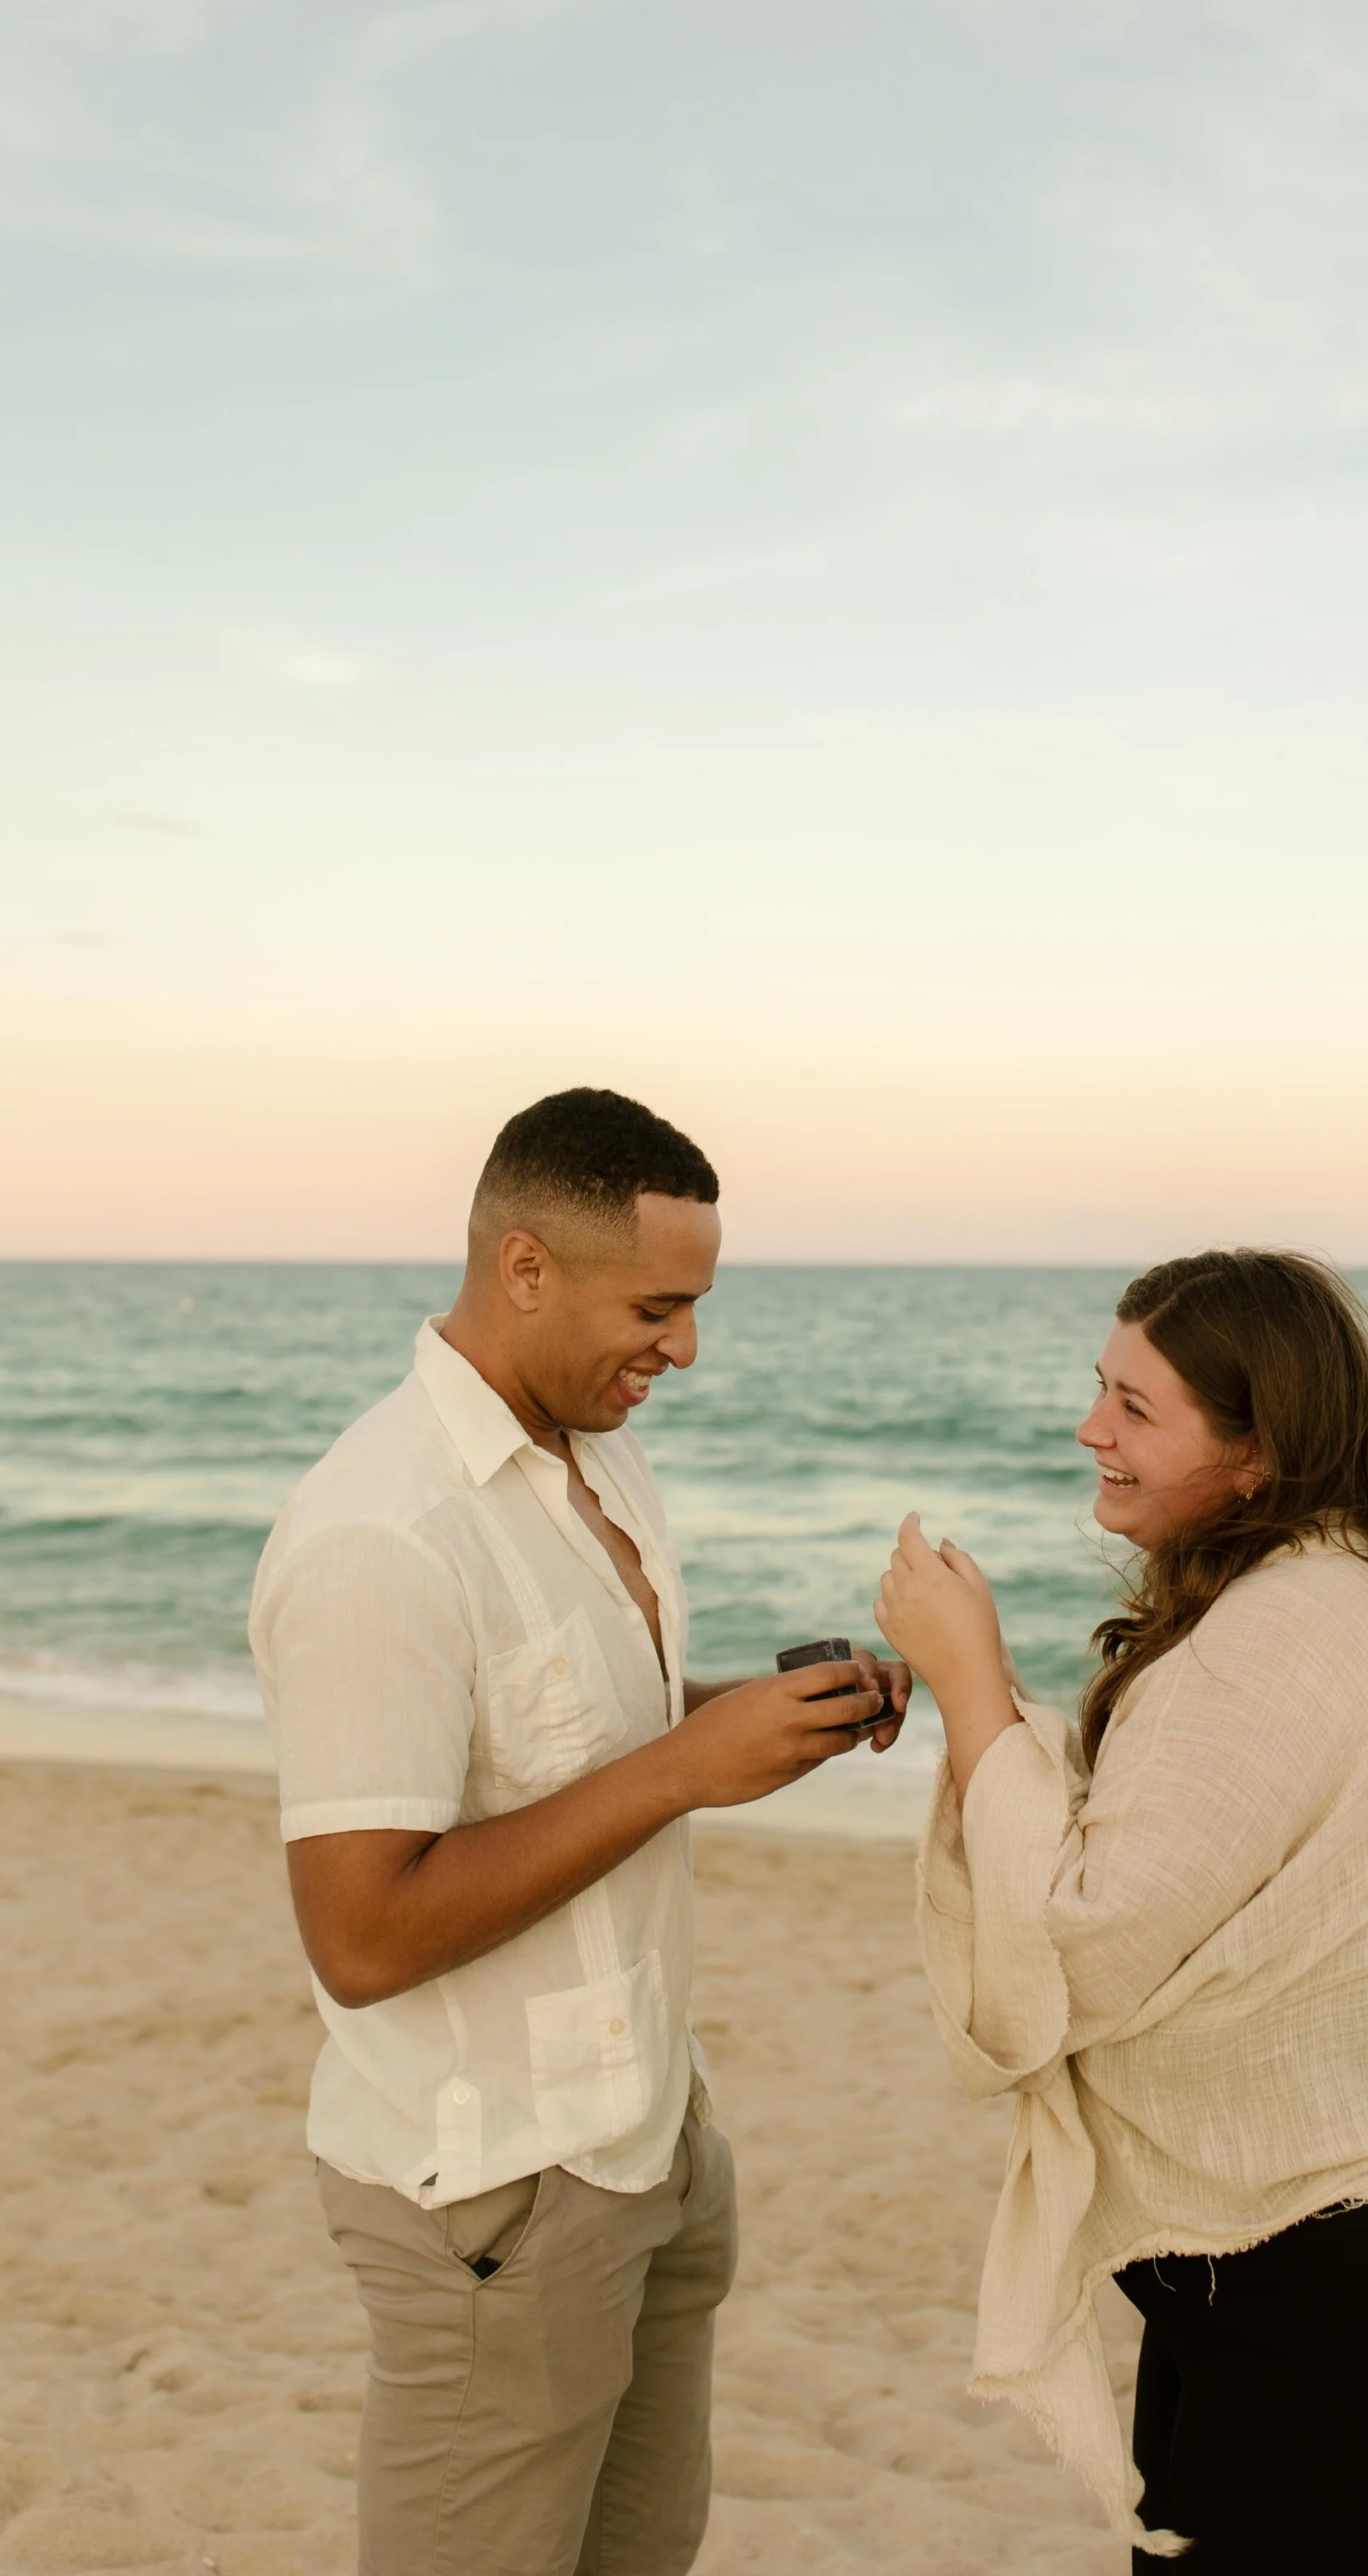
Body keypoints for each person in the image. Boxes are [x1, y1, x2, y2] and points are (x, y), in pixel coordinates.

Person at [249, 1086, 909, 2576]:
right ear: (527, 1265)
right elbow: (360, 1936)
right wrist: (685, 1767)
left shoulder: (596, 1455)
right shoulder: (383, 1538)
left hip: (647, 2141)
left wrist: (772, 1716)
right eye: (660, 1305)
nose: (686, 1348)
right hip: (494, 2194)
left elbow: (602, 1746)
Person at [874, 1247, 1368, 2574]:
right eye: (1097, 1391)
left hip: (1345, 2308)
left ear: (1256, 1453)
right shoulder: (1314, 1593)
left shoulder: (1281, 1630)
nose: (1091, 1430)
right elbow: (1171, 1859)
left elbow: (1084, 1941)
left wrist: (974, 1684)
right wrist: (990, 1721)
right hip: (1305, 2285)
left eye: (1135, 1405)